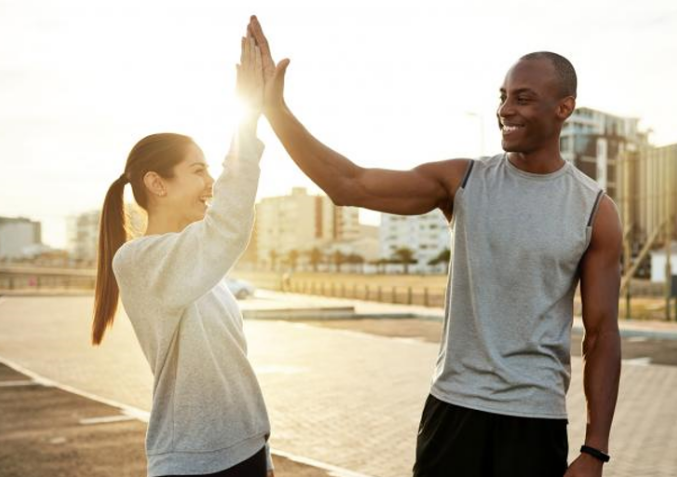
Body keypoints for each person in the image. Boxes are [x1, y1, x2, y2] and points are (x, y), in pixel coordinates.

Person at [247, 17, 622, 477]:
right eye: (502, 96)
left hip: (534, 420)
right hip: (454, 410)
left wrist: (595, 450)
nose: (506, 109)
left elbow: (603, 335)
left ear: (565, 108)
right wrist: (275, 111)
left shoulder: (594, 210)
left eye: (523, 98)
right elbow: (349, 184)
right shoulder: (462, 181)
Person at [91, 28, 275, 477]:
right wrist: (247, 119)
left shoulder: (196, 264)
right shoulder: (137, 262)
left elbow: (234, 367)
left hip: (247, 453)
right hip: (192, 463)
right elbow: (227, 226)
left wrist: (264, 454)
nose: (210, 183)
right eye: (198, 170)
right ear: (157, 183)